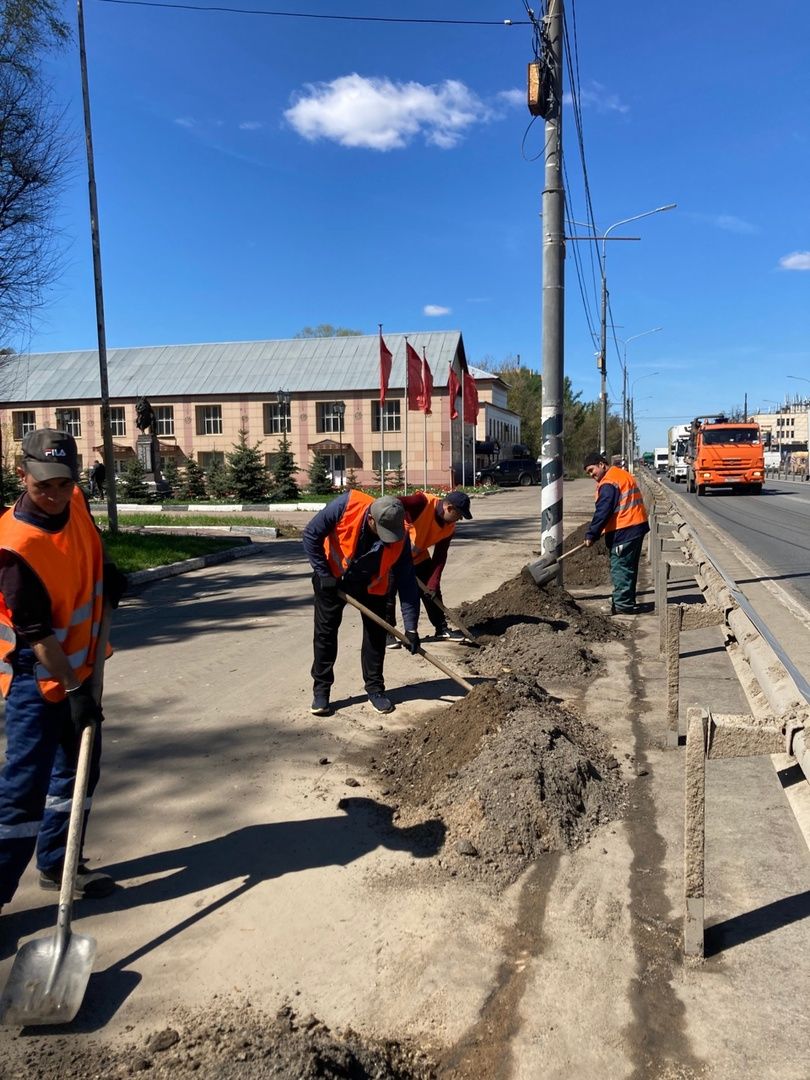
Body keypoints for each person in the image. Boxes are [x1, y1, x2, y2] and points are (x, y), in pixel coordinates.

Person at [0, 429, 127, 914]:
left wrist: (108, 572)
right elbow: (37, 635)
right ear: (22, 475)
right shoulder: (14, 547)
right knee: (23, 789)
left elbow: (88, 544)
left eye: (63, 484)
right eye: (43, 486)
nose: (54, 496)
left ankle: (59, 863)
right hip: (35, 673)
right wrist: (75, 692)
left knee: (78, 772)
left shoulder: (75, 501)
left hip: (81, 664)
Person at [302, 492, 421, 717]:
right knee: (326, 634)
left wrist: (411, 628)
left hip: (372, 584)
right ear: (371, 519)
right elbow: (311, 535)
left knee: (376, 636)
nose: (389, 539)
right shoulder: (345, 505)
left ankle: (375, 689)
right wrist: (323, 573)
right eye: (383, 532)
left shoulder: (400, 534)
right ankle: (321, 691)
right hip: (333, 578)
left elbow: (407, 581)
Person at [385, 490, 472, 645]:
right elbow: (392, 503)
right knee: (388, 593)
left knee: (432, 591)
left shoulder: (449, 527)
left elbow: (440, 556)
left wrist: (433, 581)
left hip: (417, 556)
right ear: (449, 508)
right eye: (459, 515)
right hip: (393, 555)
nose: (459, 519)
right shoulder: (422, 503)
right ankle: (387, 633)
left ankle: (441, 628)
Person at [582, 451, 650, 615]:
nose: (591, 475)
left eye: (592, 470)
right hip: (636, 526)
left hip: (625, 529)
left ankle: (622, 605)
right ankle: (626, 601)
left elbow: (603, 511)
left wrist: (592, 534)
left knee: (621, 568)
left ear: (601, 464)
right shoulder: (620, 474)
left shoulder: (609, 482)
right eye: (588, 473)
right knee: (629, 567)